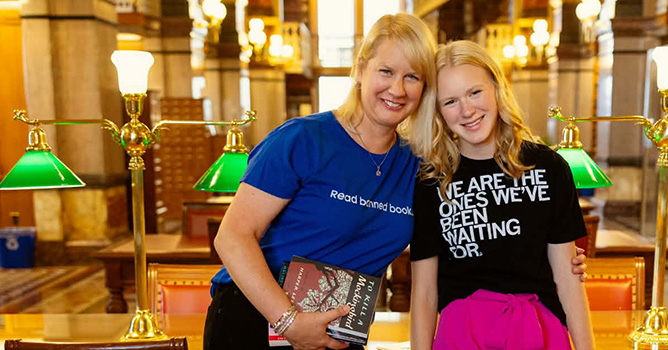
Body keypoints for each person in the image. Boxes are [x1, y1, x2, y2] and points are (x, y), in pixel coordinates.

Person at [204, 14, 587, 350]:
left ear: (424, 91)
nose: (398, 89)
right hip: (256, 318)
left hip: (340, 330)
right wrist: (289, 321)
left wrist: (551, 257)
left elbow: (482, 224)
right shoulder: (302, 139)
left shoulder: (417, 164)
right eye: (386, 71)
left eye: (412, 77)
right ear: (360, 70)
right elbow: (232, 237)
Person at [407, 40, 595, 350]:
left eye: (475, 92)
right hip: (462, 335)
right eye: (450, 101)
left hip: (538, 330)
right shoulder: (431, 181)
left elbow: (568, 277)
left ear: (496, 87)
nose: (467, 110)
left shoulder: (548, 167)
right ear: (438, 111)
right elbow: (424, 292)